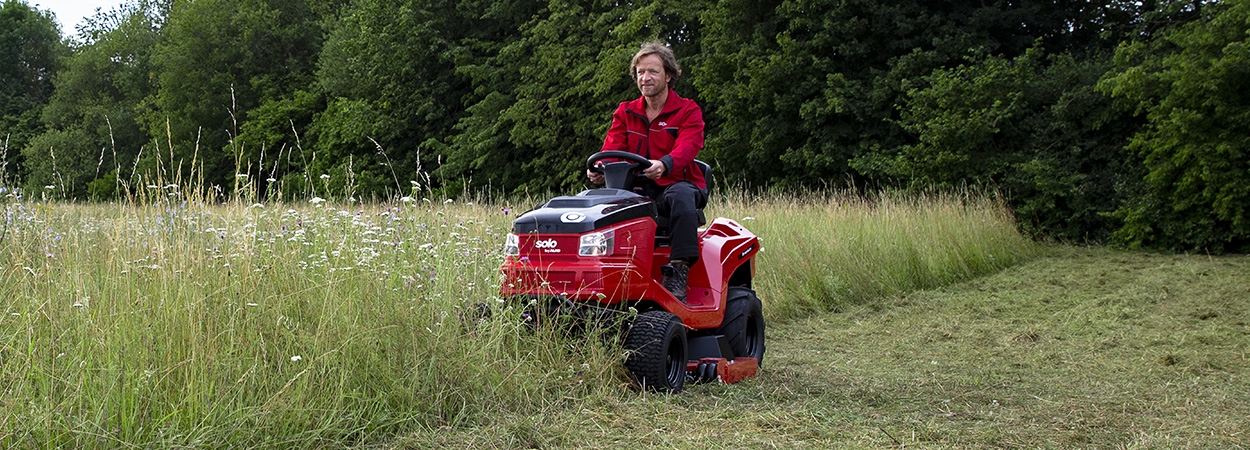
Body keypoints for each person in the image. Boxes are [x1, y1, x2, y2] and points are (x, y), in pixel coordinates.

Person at [588, 41, 706, 302]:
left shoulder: (687, 111)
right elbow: (613, 147)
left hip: (674, 185)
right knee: (592, 203)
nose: (646, 78)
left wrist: (664, 164)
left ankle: (678, 270)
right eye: (641, 72)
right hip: (635, 190)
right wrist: (601, 169)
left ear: (669, 75)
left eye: (652, 71)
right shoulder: (626, 111)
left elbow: (689, 146)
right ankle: (600, 270)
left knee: (681, 197)